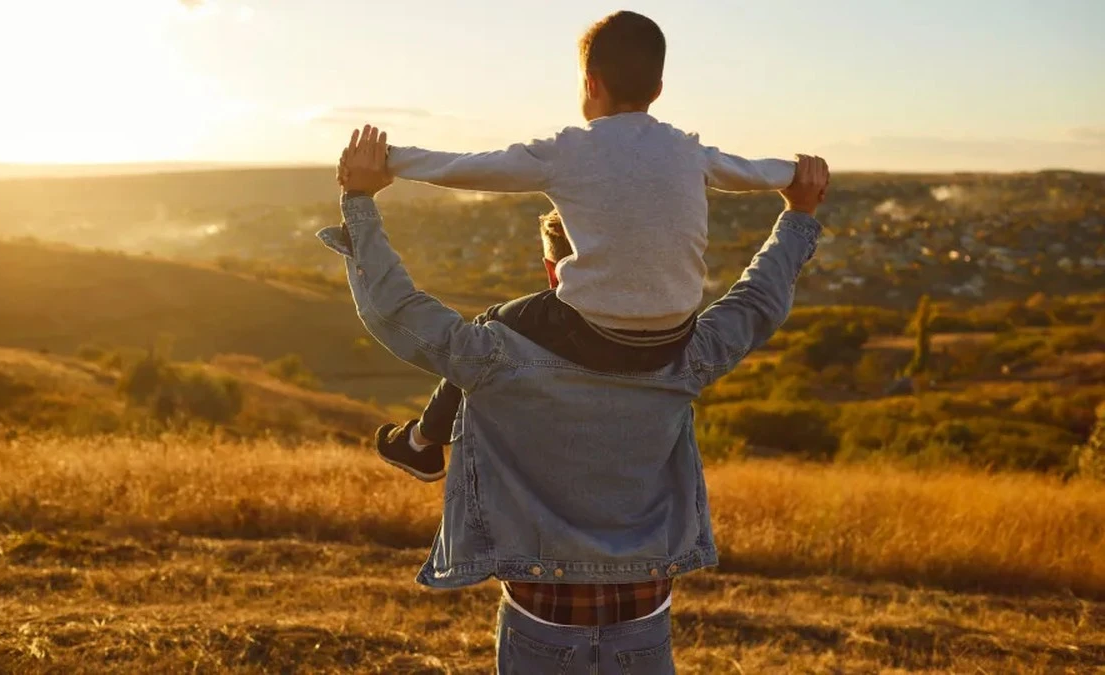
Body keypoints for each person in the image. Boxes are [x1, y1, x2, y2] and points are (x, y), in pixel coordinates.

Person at [320, 128, 829, 674]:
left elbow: (395, 309)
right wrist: (797, 213)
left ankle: (422, 442)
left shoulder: (496, 356)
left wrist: (359, 201)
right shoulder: (687, 356)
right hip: (645, 607)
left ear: (552, 270)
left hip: (542, 612)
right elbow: (757, 301)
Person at [367, 11, 804, 480]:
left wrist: (388, 161)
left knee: (490, 324)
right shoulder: (688, 151)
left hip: (593, 333)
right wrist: (800, 174)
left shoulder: (568, 150)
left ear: (590, 83)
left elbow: (467, 166)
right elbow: (754, 172)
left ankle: (423, 443)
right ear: (657, 90)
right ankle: (423, 440)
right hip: (675, 337)